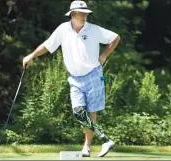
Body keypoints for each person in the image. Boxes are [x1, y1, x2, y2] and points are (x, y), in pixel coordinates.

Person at [22, 0, 120, 157]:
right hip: (74, 78)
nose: (85, 16)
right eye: (81, 14)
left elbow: (115, 38)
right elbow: (48, 45)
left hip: (93, 74)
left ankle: (87, 147)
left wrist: (103, 56)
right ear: (73, 14)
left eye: (86, 14)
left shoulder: (94, 30)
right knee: (78, 111)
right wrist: (32, 55)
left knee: (91, 111)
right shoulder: (63, 29)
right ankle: (105, 140)